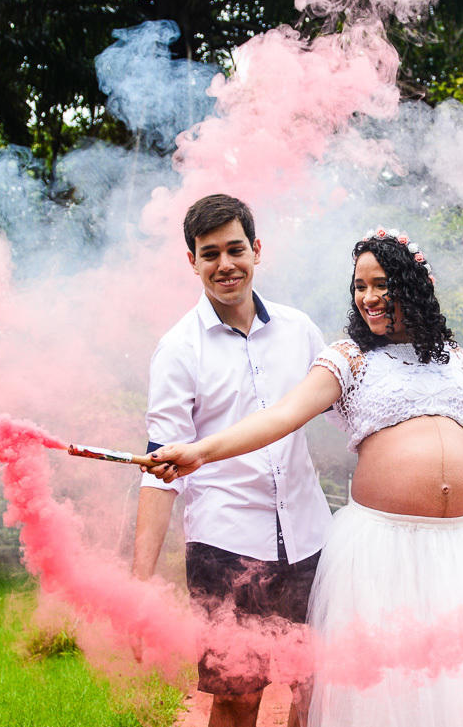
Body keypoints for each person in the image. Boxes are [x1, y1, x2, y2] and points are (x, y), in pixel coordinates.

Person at [148, 227, 463, 727]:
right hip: (380, 551)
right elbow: (281, 416)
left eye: (381, 283)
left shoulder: (453, 356)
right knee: (386, 684)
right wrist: (200, 451)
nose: (369, 297)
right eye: (359, 286)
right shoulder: (348, 357)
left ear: (411, 286)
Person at [133, 194, 332, 727]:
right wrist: (139, 585)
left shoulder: (300, 330)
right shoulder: (177, 349)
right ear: (192, 260)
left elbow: (349, 416)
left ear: (257, 250)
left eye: (235, 249)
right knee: (238, 700)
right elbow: (160, 479)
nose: (225, 265)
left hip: (314, 538)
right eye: (210, 253)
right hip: (225, 546)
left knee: (317, 690)